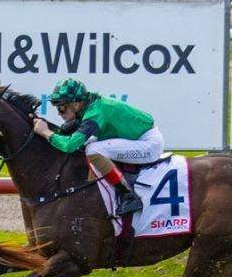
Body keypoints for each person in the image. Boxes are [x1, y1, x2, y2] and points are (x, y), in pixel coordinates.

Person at [33, 79, 162, 217]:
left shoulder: (95, 113)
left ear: (76, 104)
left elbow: (69, 146)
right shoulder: (88, 103)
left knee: (93, 149)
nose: (59, 113)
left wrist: (45, 132)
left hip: (149, 145)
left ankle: (129, 195)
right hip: (137, 137)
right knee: (87, 144)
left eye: (62, 108)